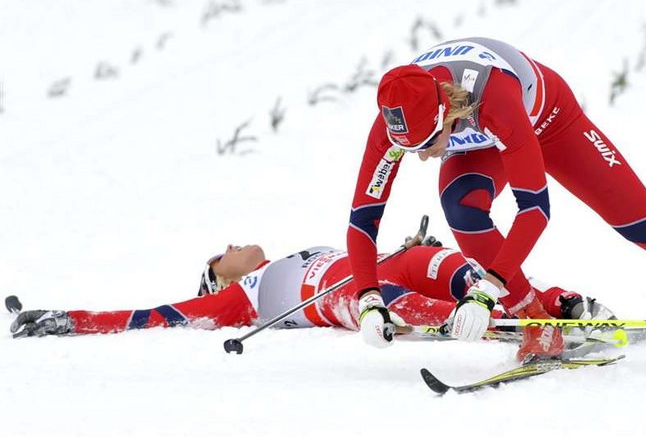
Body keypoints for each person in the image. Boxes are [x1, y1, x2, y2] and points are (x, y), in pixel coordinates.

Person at [347, 36, 646, 359]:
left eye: (428, 145)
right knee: (461, 206)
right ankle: (539, 324)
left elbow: (535, 211)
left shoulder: (496, 99)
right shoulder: (395, 121)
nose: (424, 158)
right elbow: (364, 220)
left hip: (551, 123)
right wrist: (369, 297)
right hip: (482, 139)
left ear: (447, 110)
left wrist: (486, 290)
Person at [9, 242, 610, 349]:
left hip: (378, 259)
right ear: (217, 278)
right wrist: (67, 320)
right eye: (219, 254)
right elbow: (147, 317)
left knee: (450, 263)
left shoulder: (275, 255)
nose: (231, 244)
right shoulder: (237, 297)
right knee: (399, 296)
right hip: (341, 293)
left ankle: (552, 306)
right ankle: (513, 331)